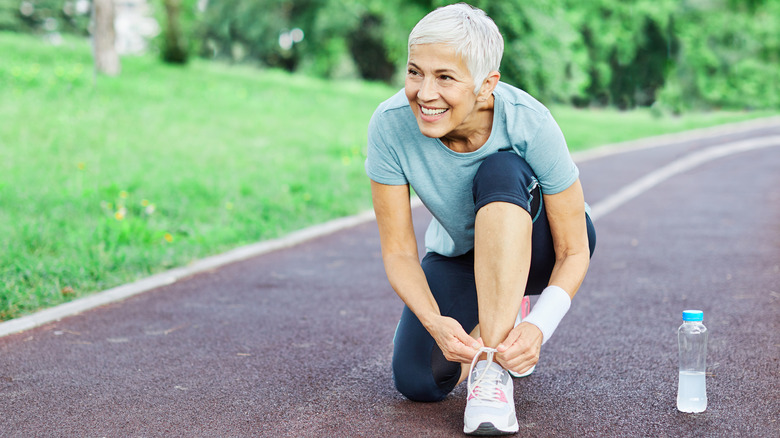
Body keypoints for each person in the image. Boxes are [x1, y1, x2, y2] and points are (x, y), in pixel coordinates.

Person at [365, 3, 596, 435]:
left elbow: (575, 248)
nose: (424, 93)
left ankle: (494, 374)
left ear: (487, 85)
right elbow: (397, 250)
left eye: (445, 78)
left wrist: (538, 327)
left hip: (542, 247)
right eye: (415, 72)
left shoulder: (530, 122)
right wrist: (435, 323)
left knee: (502, 170)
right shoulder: (390, 126)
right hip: (461, 255)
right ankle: (502, 317)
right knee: (419, 380)